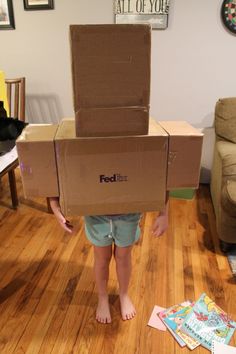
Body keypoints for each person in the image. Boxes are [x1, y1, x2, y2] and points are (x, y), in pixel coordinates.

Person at [49, 196, 169, 324]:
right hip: (95, 214)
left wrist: (164, 213)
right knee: (102, 258)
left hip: (128, 214)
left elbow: (165, 178)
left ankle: (123, 294)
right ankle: (102, 297)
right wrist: (55, 207)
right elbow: (52, 179)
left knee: (123, 257)